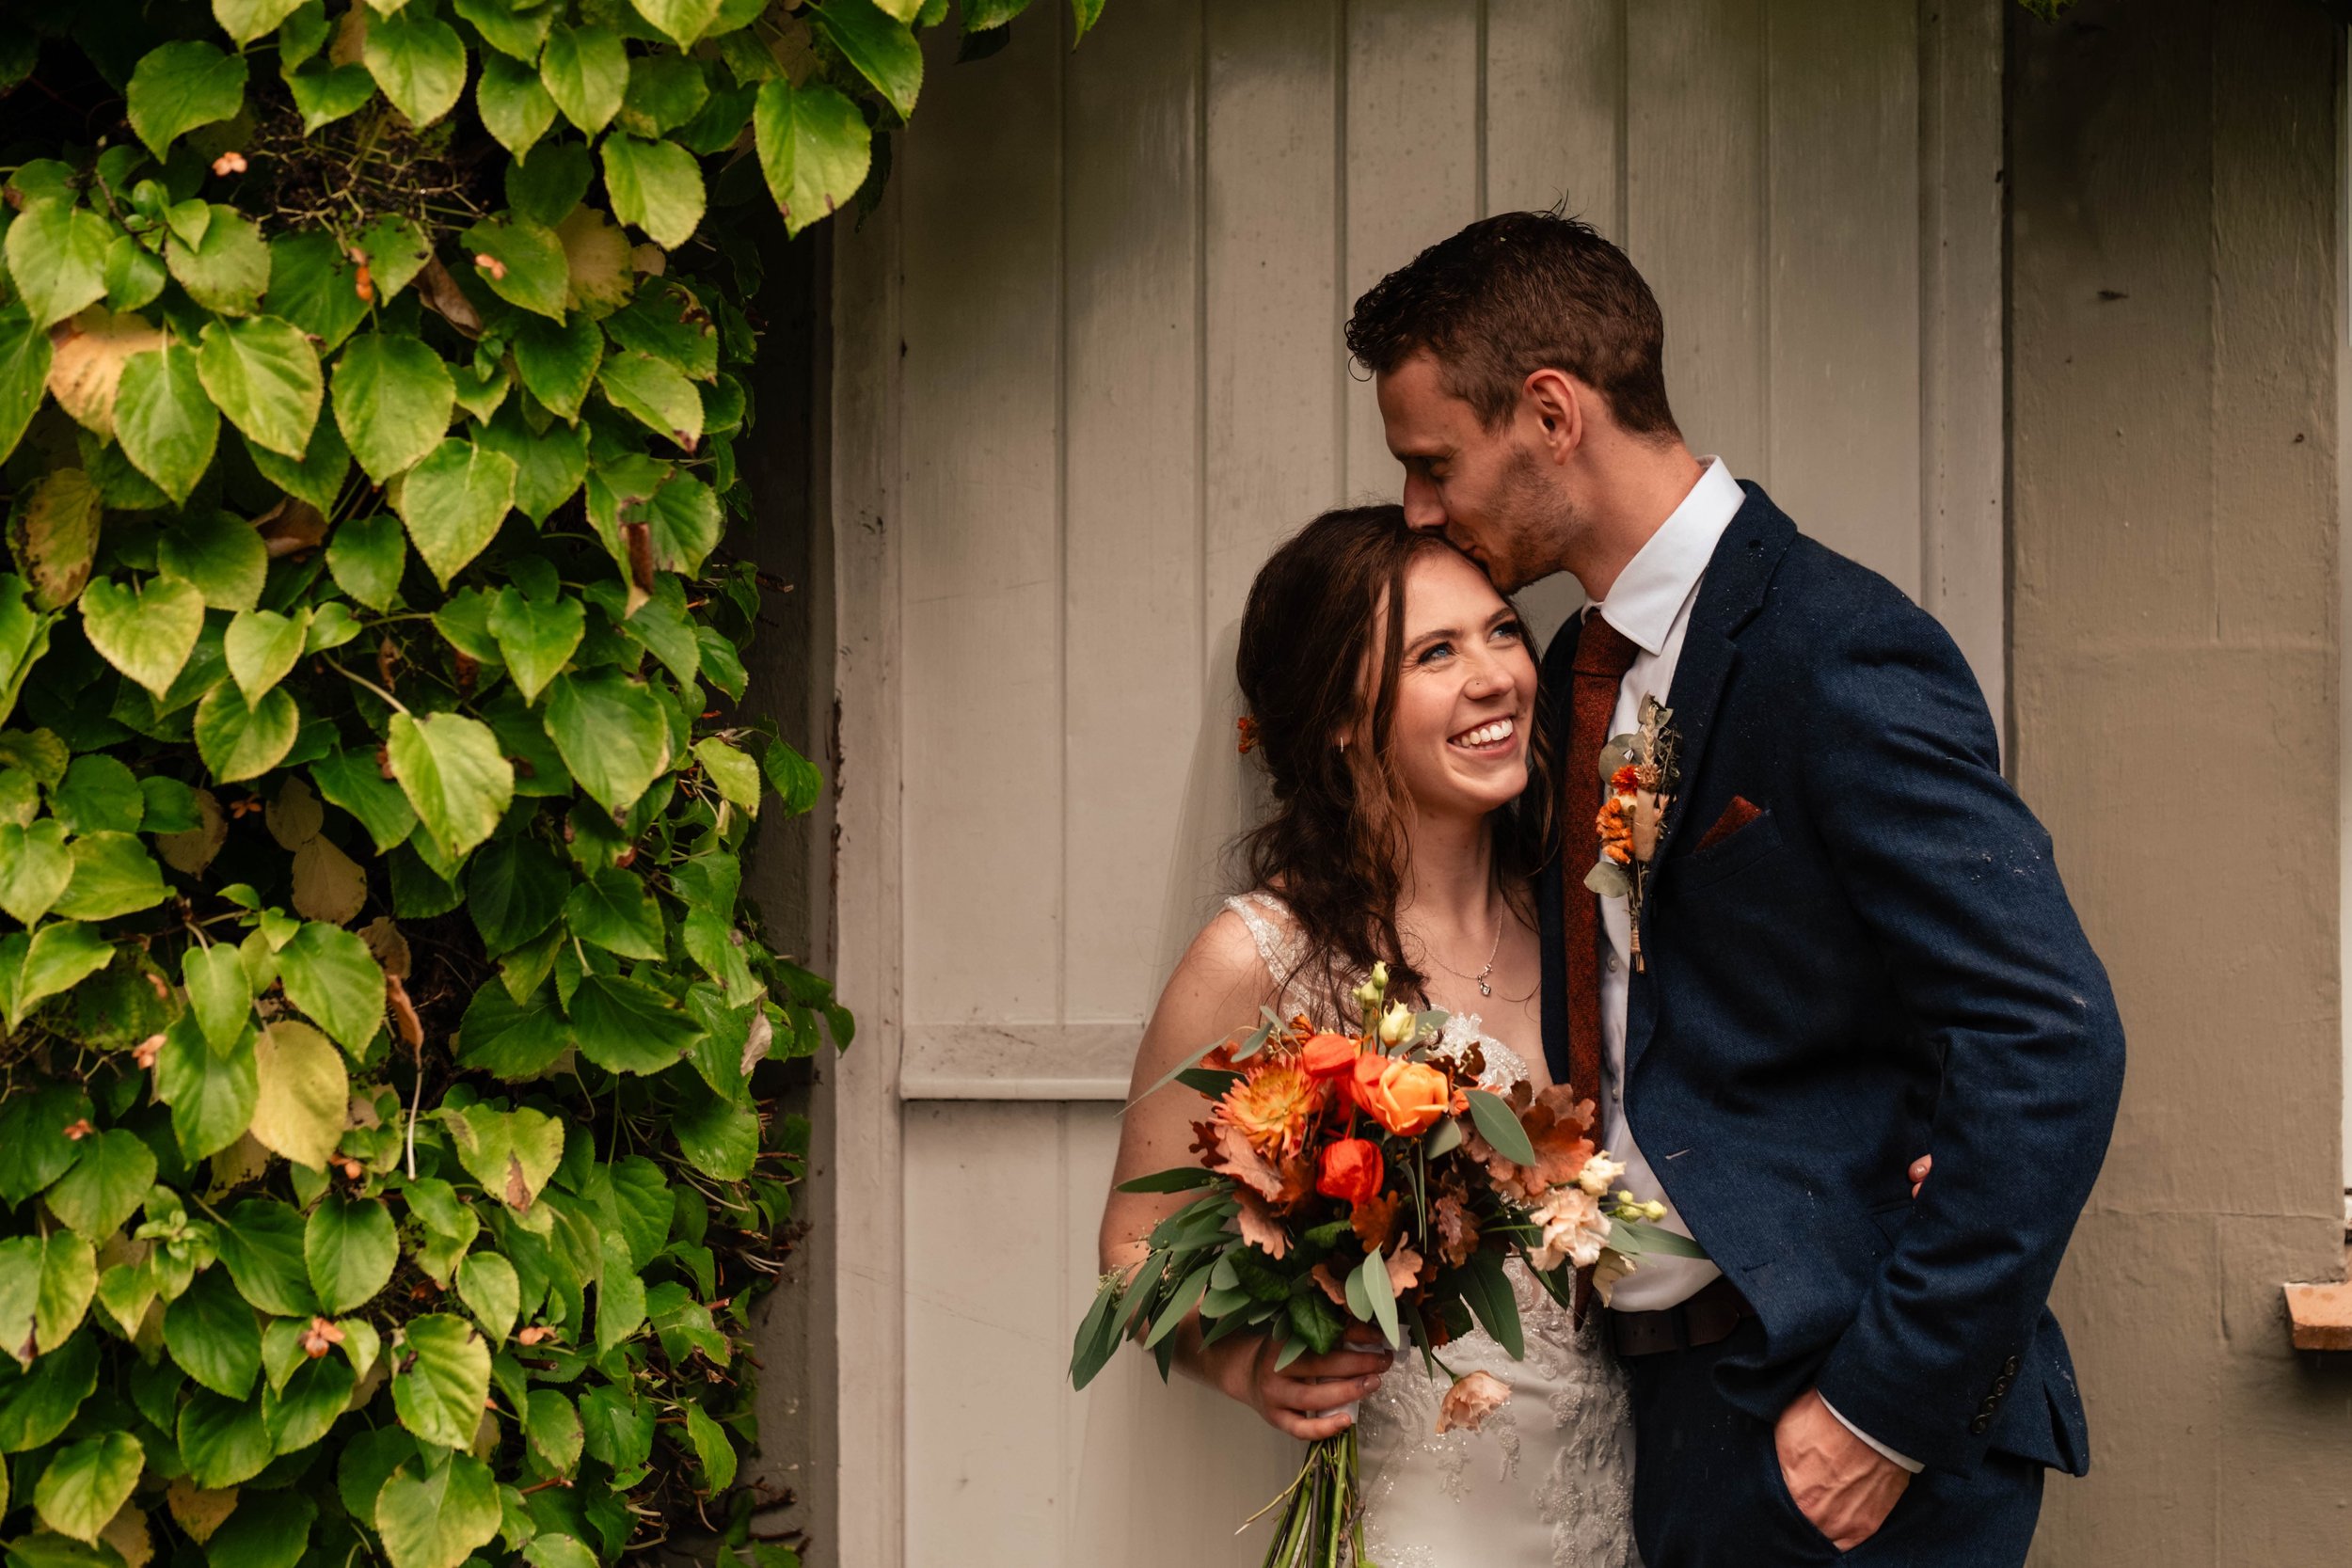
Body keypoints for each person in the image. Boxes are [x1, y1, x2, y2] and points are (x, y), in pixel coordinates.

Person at [1346, 210, 2126, 1567]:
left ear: (1548, 413)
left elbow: (2051, 1037)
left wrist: (1879, 1410)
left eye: (1432, 462)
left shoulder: (1835, 648)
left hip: (1846, 1413)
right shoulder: (1581, 664)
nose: (1422, 506)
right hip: (1682, 1406)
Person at [1100, 506, 1643, 1567]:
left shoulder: (1588, 919)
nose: (1495, 675)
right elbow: (1130, 1252)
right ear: (1341, 716)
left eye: (1498, 631)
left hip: (1619, 1498)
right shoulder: (1260, 955)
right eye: (1435, 652)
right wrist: (1255, 1360)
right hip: (1422, 1518)